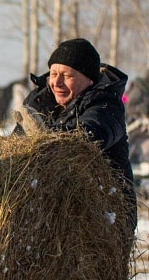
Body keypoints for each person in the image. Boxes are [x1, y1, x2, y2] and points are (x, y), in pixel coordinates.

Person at [13, 37, 135, 231]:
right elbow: (15, 148)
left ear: (88, 79)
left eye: (67, 76)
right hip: (50, 212)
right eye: (53, 74)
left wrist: (44, 136)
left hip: (104, 217)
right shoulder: (39, 101)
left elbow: (89, 136)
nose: (56, 82)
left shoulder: (106, 105)